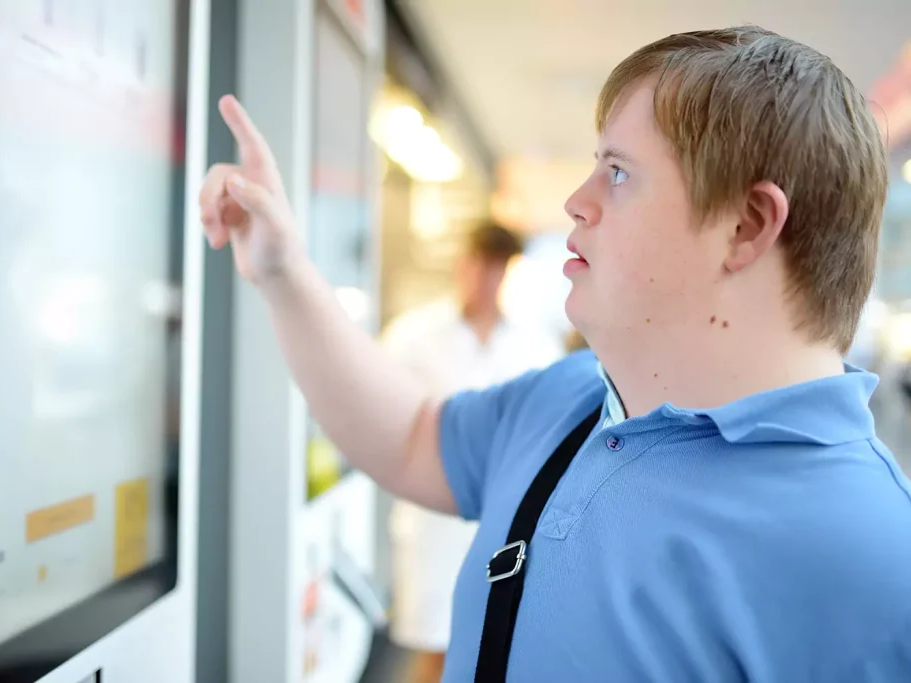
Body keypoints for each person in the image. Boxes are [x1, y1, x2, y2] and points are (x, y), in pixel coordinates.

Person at [200, 26, 911, 682]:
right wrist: (282, 270)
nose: (577, 200)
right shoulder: (569, 398)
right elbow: (413, 436)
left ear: (745, 224)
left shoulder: (870, 551)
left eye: (618, 172)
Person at [380, 223, 562, 682]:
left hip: (509, 523)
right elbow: (381, 415)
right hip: (434, 520)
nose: (485, 277)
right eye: (478, 263)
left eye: (496, 267)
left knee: (500, 647)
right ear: (463, 263)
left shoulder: (536, 346)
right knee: (435, 650)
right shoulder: (413, 337)